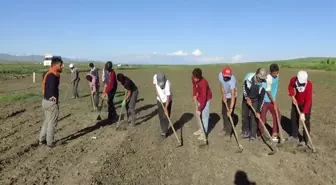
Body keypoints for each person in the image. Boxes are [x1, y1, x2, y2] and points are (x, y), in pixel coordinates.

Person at [39, 57, 64, 148]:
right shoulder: (53, 76)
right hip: (51, 103)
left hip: (45, 101)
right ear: (54, 65)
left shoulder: (48, 73)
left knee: (47, 121)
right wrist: (52, 97)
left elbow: (46, 86)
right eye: (60, 65)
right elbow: (51, 88)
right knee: (52, 123)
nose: (62, 66)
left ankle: (42, 139)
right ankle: (50, 142)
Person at [288, 70, 313, 146]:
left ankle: (305, 140)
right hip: (296, 102)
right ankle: (294, 135)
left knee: (306, 121)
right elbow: (290, 86)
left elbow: (308, 100)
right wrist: (292, 96)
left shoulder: (309, 85)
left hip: (306, 105)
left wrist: (304, 113)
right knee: (294, 118)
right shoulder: (293, 80)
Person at [241, 68, 267, 141]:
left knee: (254, 117)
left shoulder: (264, 84)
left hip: (256, 99)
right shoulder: (248, 77)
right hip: (246, 97)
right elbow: (244, 88)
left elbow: (262, 98)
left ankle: (252, 135)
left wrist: (258, 111)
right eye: (260, 78)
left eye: (262, 79)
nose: (261, 80)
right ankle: (245, 132)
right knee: (244, 115)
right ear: (256, 75)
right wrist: (247, 97)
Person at [260, 64, 281, 142]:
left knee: (278, 115)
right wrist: (274, 102)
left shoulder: (277, 76)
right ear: (270, 72)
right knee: (262, 117)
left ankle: (274, 133)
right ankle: (262, 133)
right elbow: (268, 92)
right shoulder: (268, 78)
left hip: (272, 100)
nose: (275, 75)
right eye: (274, 73)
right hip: (265, 100)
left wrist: (274, 101)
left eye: (277, 73)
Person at [192, 68, 212, 141]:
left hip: (206, 99)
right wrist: (194, 94)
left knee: (204, 117)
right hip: (199, 97)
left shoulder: (204, 83)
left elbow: (204, 97)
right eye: (194, 77)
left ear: (200, 77)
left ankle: (204, 134)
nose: (195, 79)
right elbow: (194, 86)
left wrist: (200, 109)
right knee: (197, 115)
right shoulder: (193, 77)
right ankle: (201, 129)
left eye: (196, 78)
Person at [218, 66, 237, 137]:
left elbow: (233, 94)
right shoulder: (220, 75)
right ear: (222, 74)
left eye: (228, 77)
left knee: (229, 114)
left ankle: (229, 133)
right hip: (225, 95)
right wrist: (223, 95)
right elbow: (222, 85)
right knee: (224, 113)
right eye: (225, 76)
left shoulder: (232, 80)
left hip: (232, 97)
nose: (226, 78)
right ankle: (225, 129)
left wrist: (231, 109)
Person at [153, 72, 173, 138]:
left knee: (166, 116)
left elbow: (168, 97)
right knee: (161, 116)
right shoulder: (155, 77)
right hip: (159, 100)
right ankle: (163, 129)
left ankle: (164, 132)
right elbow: (154, 85)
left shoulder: (168, 84)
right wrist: (155, 91)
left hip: (167, 101)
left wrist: (166, 108)